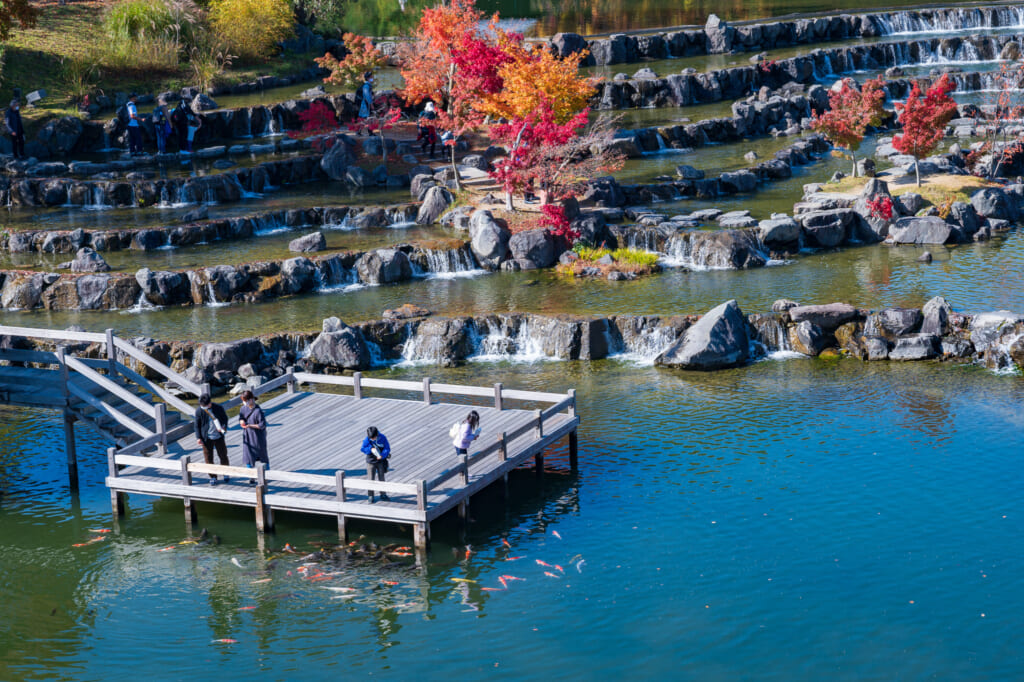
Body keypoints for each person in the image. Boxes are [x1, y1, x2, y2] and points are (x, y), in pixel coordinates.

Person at [194, 393, 230, 485]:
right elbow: (196, 425)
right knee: (208, 458)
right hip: (207, 438)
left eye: (205, 405)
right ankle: (213, 476)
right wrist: (198, 437)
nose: (203, 407)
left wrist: (224, 426)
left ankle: (226, 473)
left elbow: (225, 418)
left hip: (218, 436)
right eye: (202, 406)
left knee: (223, 455)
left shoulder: (218, 408)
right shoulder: (199, 411)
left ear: (210, 403)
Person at [238, 389, 269, 485]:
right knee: (248, 456)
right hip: (248, 436)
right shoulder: (243, 409)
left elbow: (262, 425)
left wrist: (250, 425)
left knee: (263, 456)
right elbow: (241, 417)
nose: (245, 403)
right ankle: (251, 476)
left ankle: (267, 474)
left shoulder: (258, 411)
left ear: (251, 399)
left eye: (246, 400)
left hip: (258, 437)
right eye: (244, 401)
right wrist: (241, 421)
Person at [361, 426, 390, 502]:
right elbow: (363, 448)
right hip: (371, 462)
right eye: (371, 438)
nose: (372, 439)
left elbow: (387, 448)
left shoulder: (382, 437)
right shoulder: (367, 440)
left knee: (382, 478)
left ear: (377, 434)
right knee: (371, 479)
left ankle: (383, 494)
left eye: (373, 437)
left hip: (380, 461)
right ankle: (370, 496)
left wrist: (382, 455)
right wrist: (370, 449)